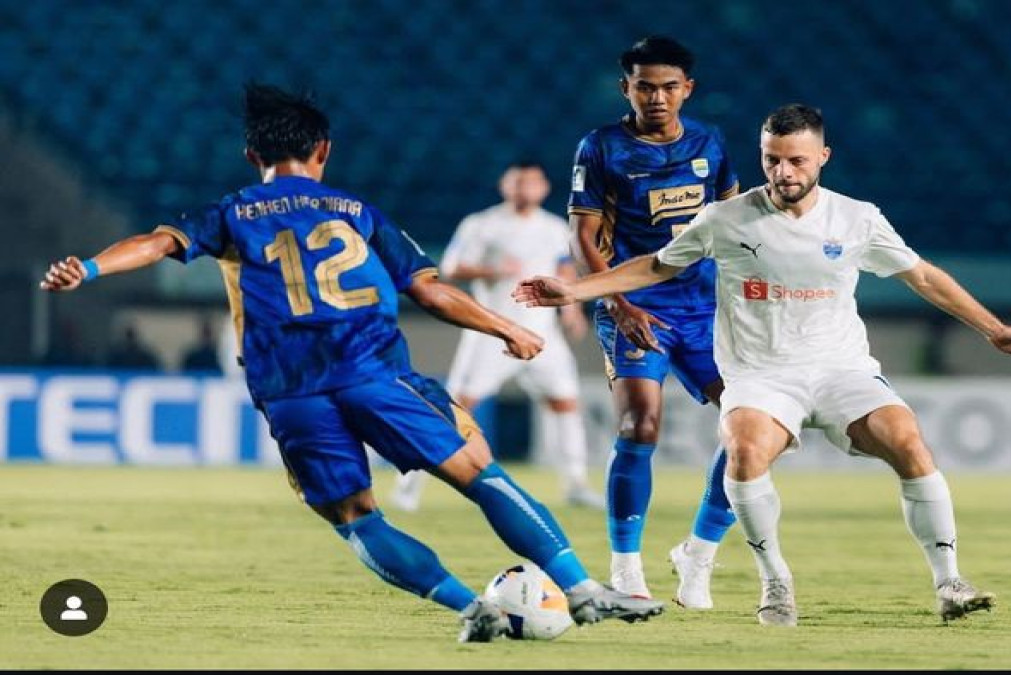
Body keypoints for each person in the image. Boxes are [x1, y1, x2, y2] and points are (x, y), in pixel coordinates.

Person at [39, 83, 663, 642]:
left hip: (291, 394)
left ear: (252, 157)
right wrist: (508, 329)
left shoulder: (229, 213)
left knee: (356, 520)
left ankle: (468, 607)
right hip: (375, 373)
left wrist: (89, 268)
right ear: (324, 152)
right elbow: (430, 291)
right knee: (481, 475)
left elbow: (157, 243)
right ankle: (583, 590)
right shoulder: (356, 212)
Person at [517, 103, 1011, 626]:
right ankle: (775, 580)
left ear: (824, 156)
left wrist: (995, 329)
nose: (783, 171)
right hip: (762, 376)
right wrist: (574, 289)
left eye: (796, 160)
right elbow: (653, 267)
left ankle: (950, 582)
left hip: (842, 371)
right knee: (744, 448)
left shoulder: (857, 218)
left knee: (909, 441)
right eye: (772, 159)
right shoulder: (725, 219)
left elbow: (924, 277)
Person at [568, 35, 740, 605]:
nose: (657, 96)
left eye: (668, 86)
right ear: (627, 88)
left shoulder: (710, 143)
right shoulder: (601, 148)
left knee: (755, 431)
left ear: (687, 89)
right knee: (639, 426)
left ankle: (699, 552)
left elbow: (734, 226)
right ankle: (626, 570)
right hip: (637, 310)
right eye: (645, 86)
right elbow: (582, 236)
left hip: (706, 310)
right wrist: (619, 302)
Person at [389, 161, 605, 512]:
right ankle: (409, 486)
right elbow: (451, 267)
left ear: (544, 187)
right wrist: (492, 270)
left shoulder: (553, 227)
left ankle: (576, 484)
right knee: (455, 409)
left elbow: (563, 268)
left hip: (541, 334)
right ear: (506, 185)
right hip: (490, 333)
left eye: (532, 182)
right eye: (518, 182)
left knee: (565, 404)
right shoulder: (483, 224)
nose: (525, 189)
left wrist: (571, 310)